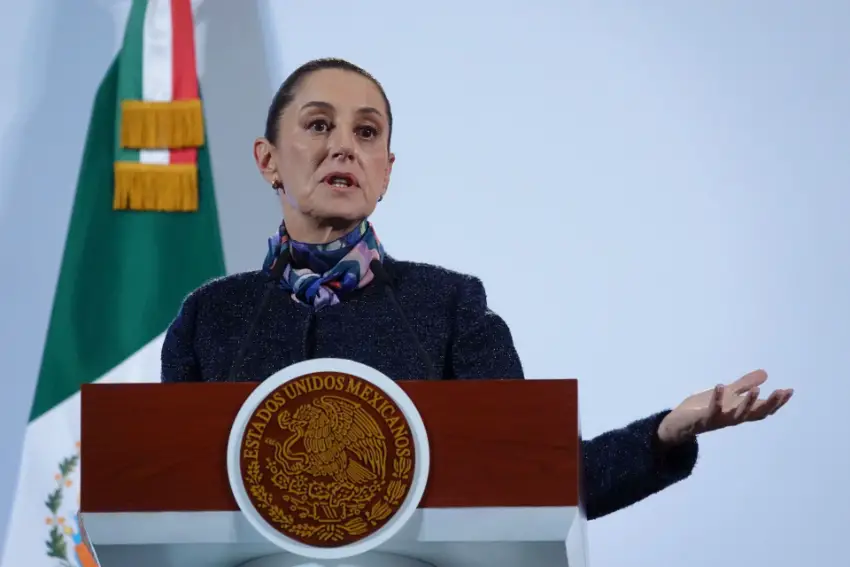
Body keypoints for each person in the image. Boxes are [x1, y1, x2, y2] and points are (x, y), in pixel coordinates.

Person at [160, 57, 793, 521]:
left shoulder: (449, 305)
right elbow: (163, 499)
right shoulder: (207, 317)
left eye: (368, 133)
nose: (344, 148)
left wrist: (664, 433)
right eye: (319, 125)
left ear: (386, 171)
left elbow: (538, 479)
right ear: (267, 160)